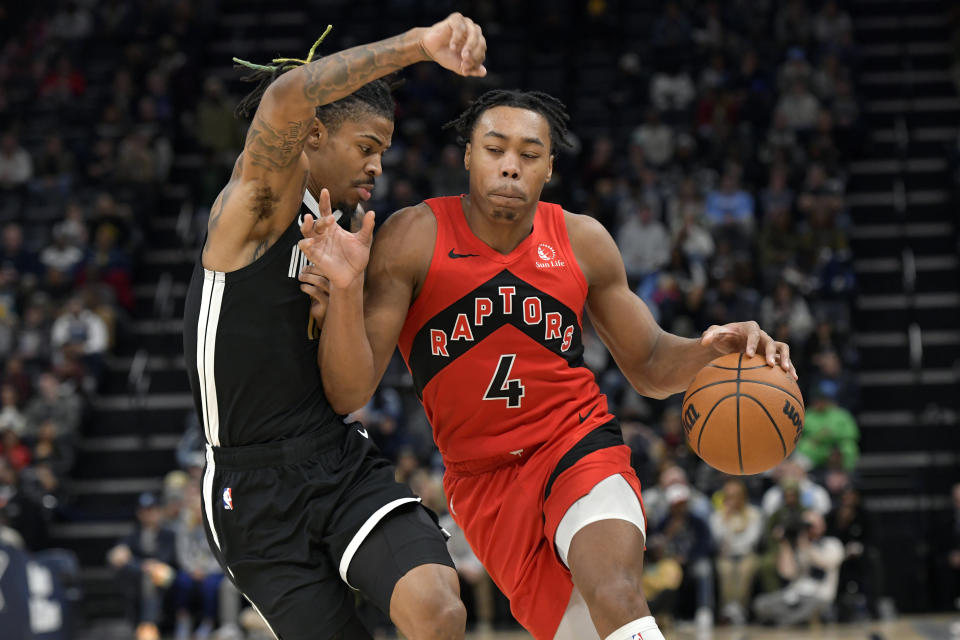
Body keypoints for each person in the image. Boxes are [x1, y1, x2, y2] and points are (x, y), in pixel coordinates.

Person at [297, 88, 797, 640]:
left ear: (549, 167)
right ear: (468, 156)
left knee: (615, 591)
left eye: (529, 155)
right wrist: (344, 294)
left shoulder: (582, 241)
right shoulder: (413, 237)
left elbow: (651, 364)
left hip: (577, 444)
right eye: (495, 150)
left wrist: (712, 351)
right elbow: (350, 391)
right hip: (483, 483)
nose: (510, 167)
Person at [181, 14, 487, 640]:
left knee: (437, 607)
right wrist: (416, 47)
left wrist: (346, 295)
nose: (377, 166)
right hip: (251, 489)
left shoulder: (341, 235)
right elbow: (285, 96)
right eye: (366, 147)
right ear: (315, 134)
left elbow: (348, 395)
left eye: (383, 151)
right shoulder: (255, 207)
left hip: (336, 458)